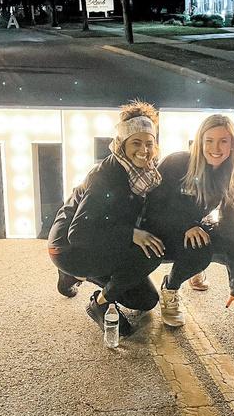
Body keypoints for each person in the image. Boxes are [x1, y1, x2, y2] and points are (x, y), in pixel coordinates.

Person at [47, 101, 166, 338]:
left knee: (146, 300)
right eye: (135, 143)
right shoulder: (105, 176)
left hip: (98, 241)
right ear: (122, 144)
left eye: (149, 143)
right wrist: (131, 233)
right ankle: (99, 303)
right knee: (150, 253)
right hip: (68, 248)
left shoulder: (144, 173)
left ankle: (74, 276)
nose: (144, 150)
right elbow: (79, 233)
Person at [143, 115, 234, 323]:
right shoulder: (177, 162)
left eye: (223, 141)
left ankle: (193, 266)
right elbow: (152, 207)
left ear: (233, 145)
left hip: (194, 229)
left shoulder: (232, 178)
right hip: (158, 231)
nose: (216, 148)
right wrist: (185, 226)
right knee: (199, 250)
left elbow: (233, 228)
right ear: (200, 142)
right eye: (209, 140)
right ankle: (170, 288)